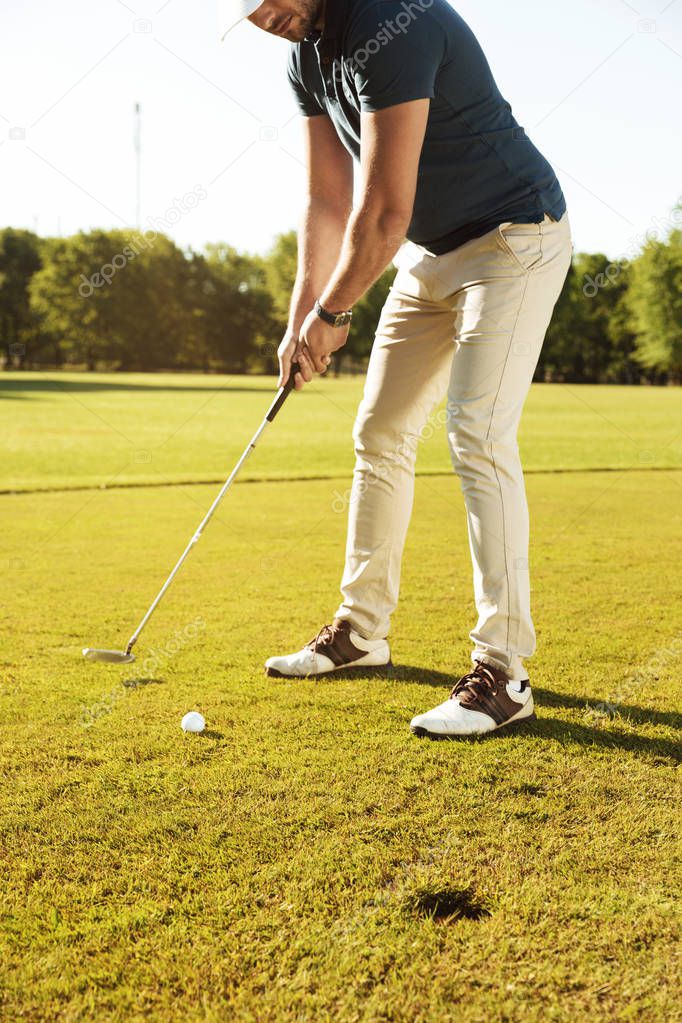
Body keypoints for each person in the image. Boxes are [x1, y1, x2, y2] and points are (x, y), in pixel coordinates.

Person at [219, 0, 573, 737]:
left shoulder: (395, 21)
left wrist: (335, 313)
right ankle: (361, 632)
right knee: (379, 431)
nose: (264, 18)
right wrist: (300, 319)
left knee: (475, 436)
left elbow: (383, 211)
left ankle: (505, 674)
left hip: (515, 238)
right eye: (247, 13)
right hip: (435, 255)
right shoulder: (304, 57)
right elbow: (326, 200)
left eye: (267, 1)